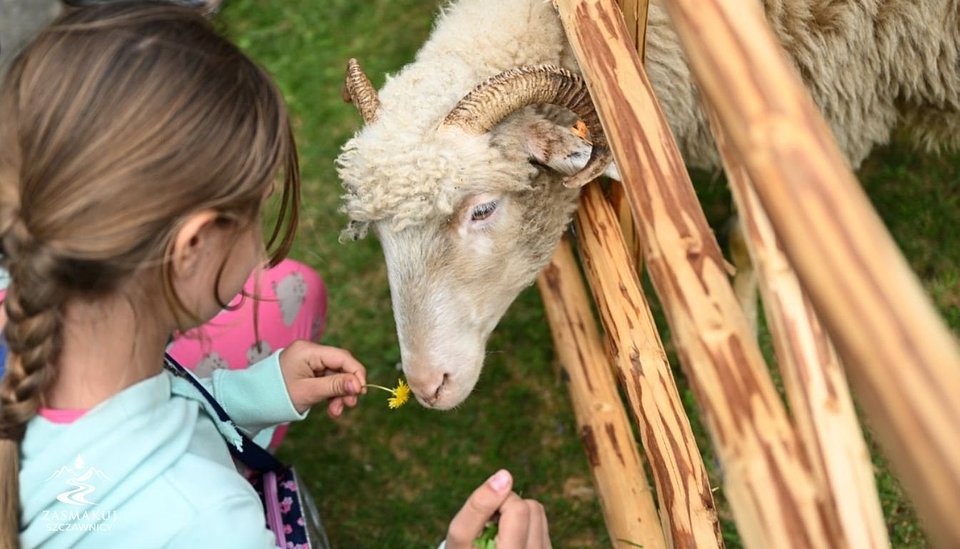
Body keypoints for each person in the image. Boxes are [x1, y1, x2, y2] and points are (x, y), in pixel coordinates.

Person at [0, 4, 551, 549]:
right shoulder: (209, 526)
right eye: (257, 212)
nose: (263, 245)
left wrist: (246, 397)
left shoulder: (35, 308)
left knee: (295, 291)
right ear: (193, 246)